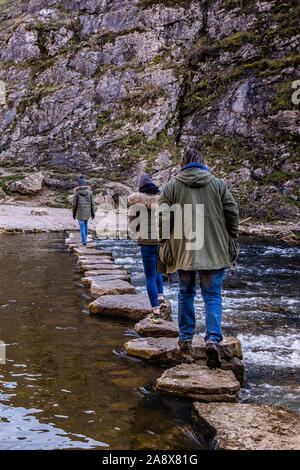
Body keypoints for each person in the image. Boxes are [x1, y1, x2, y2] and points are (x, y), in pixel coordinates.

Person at [158, 148, 239, 367]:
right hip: (213, 249)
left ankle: (185, 339)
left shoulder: (172, 186)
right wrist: (232, 236)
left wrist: (165, 242)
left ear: (182, 162)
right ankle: (212, 339)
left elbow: (163, 218)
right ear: (203, 162)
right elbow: (232, 212)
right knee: (212, 296)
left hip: (184, 250)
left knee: (186, 293)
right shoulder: (218, 184)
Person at [128, 174, 169, 324]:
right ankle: (161, 298)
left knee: (150, 276)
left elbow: (133, 227)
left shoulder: (136, 203)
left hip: (146, 243)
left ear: (140, 186)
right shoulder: (163, 201)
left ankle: (156, 314)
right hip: (160, 242)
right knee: (158, 270)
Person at [72, 175, 95, 246]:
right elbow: (92, 204)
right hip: (87, 213)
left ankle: (84, 242)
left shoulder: (76, 193)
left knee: (82, 227)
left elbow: (74, 205)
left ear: (78, 184)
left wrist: (74, 214)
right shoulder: (90, 192)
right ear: (85, 183)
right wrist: (93, 213)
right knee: (85, 225)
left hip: (80, 213)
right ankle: (85, 240)